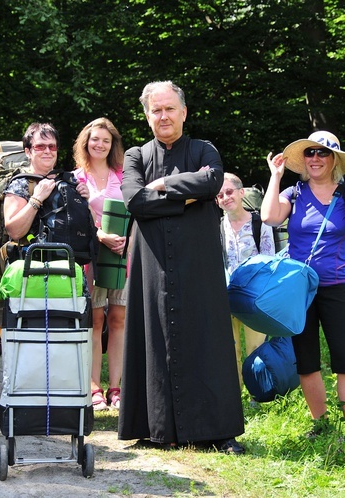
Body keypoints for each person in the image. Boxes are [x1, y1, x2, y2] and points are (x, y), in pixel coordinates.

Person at [119, 81, 245, 454]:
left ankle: (218, 431)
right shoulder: (135, 156)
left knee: (208, 338)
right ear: (147, 116)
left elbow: (212, 180)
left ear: (184, 112)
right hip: (152, 262)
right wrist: (185, 197)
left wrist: (163, 185)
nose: (163, 116)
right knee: (153, 338)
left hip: (199, 262)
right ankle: (155, 427)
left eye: (169, 109)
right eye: (156, 110)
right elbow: (134, 200)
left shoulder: (203, 149)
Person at [261, 130, 345, 441]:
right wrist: (275, 176)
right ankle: (321, 425)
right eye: (309, 153)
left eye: (322, 154)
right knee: (307, 359)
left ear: (333, 160)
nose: (315, 159)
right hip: (300, 290)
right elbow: (269, 216)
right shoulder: (293, 193)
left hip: (338, 286)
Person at [72, 117, 127, 411]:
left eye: (106, 140)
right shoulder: (77, 177)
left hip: (121, 257)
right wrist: (100, 235)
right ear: (86, 142)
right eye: (95, 139)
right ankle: (94, 387)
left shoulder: (124, 175)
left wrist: (125, 240)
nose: (100, 144)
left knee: (118, 319)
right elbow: (75, 221)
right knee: (94, 321)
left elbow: (135, 213)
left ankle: (115, 387)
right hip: (91, 258)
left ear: (112, 145)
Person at [217, 172, 275, 386]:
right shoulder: (218, 228)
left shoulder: (261, 223)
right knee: (230, 347)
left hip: (254, 298)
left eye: (229, 192)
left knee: (255, 349)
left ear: (241, 193)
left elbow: (269, 263)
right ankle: (234, 392)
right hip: (227, 297)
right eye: (220, 195)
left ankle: (256, 393)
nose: (225, 197)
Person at [2, 122, 89, 247]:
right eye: (40, 147)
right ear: (28, 152)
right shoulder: (20, 184)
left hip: (67, 259)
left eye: (52, 146)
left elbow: (87, 227)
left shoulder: (68, 182)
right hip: (30, 261)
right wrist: (37, 199)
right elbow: (14, 232)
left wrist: (86, 201)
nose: (47, 151)